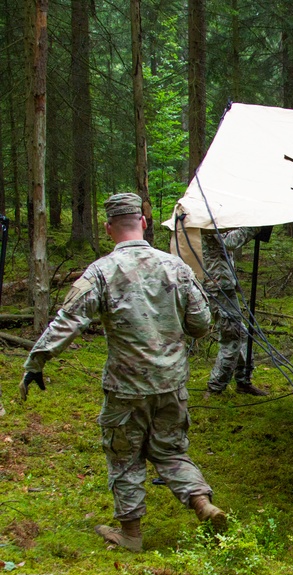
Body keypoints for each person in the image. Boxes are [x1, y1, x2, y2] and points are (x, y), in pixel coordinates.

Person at [20, 193, 227, 552]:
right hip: (171, 384)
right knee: (171, 451)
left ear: (107, 228)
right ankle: (202, 503)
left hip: (126, 389)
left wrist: (36, 362)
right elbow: (201, 324)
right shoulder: (176, 268)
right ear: (144, 222)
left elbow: (68, 321)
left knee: (124, 457)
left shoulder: (101, 271)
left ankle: (131, 535)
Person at [201, 226, 268, 397]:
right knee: (233, 336)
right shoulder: (209, 216)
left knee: (242, 334)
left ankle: (243, 381)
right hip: (216, 286)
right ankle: (215, 387)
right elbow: (230, 241)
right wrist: (255, 226)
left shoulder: (216, 213)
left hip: (224, 285)